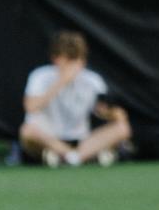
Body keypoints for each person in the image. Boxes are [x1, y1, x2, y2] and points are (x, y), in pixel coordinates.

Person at [19, 29, 132, 166]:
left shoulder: (93, 80)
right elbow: (30, 107)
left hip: (81, 140)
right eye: (68, 59)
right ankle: (74, 156)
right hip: (49, 138)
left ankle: (72, 157)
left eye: (77, 59)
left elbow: (102, 110)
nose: (74, 65)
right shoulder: (40, 76)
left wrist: (111, 114)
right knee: (27, 131)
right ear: (55, 59)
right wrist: (61, 82)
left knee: (122, 128)